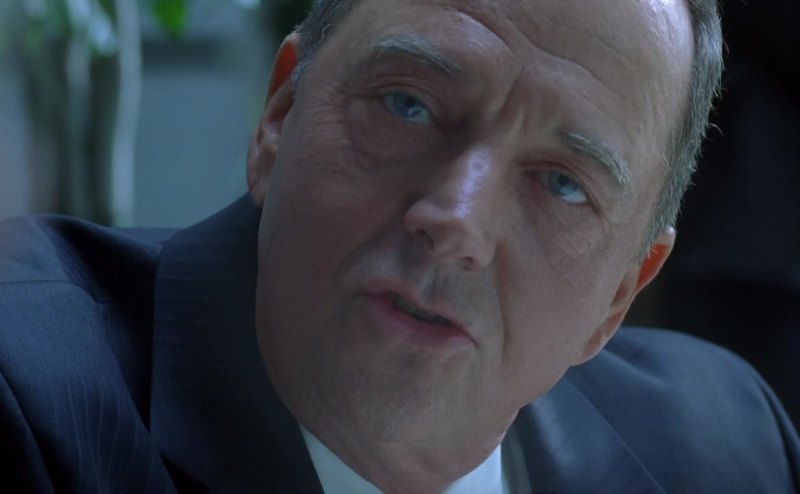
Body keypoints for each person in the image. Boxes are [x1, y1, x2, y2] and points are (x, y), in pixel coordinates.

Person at [0, 0, 798, 492]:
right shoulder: (30, 407)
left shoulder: (729, 446)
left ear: (619, 296)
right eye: (407, 106)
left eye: (561, 184)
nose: (457, 221)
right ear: (279, 117)